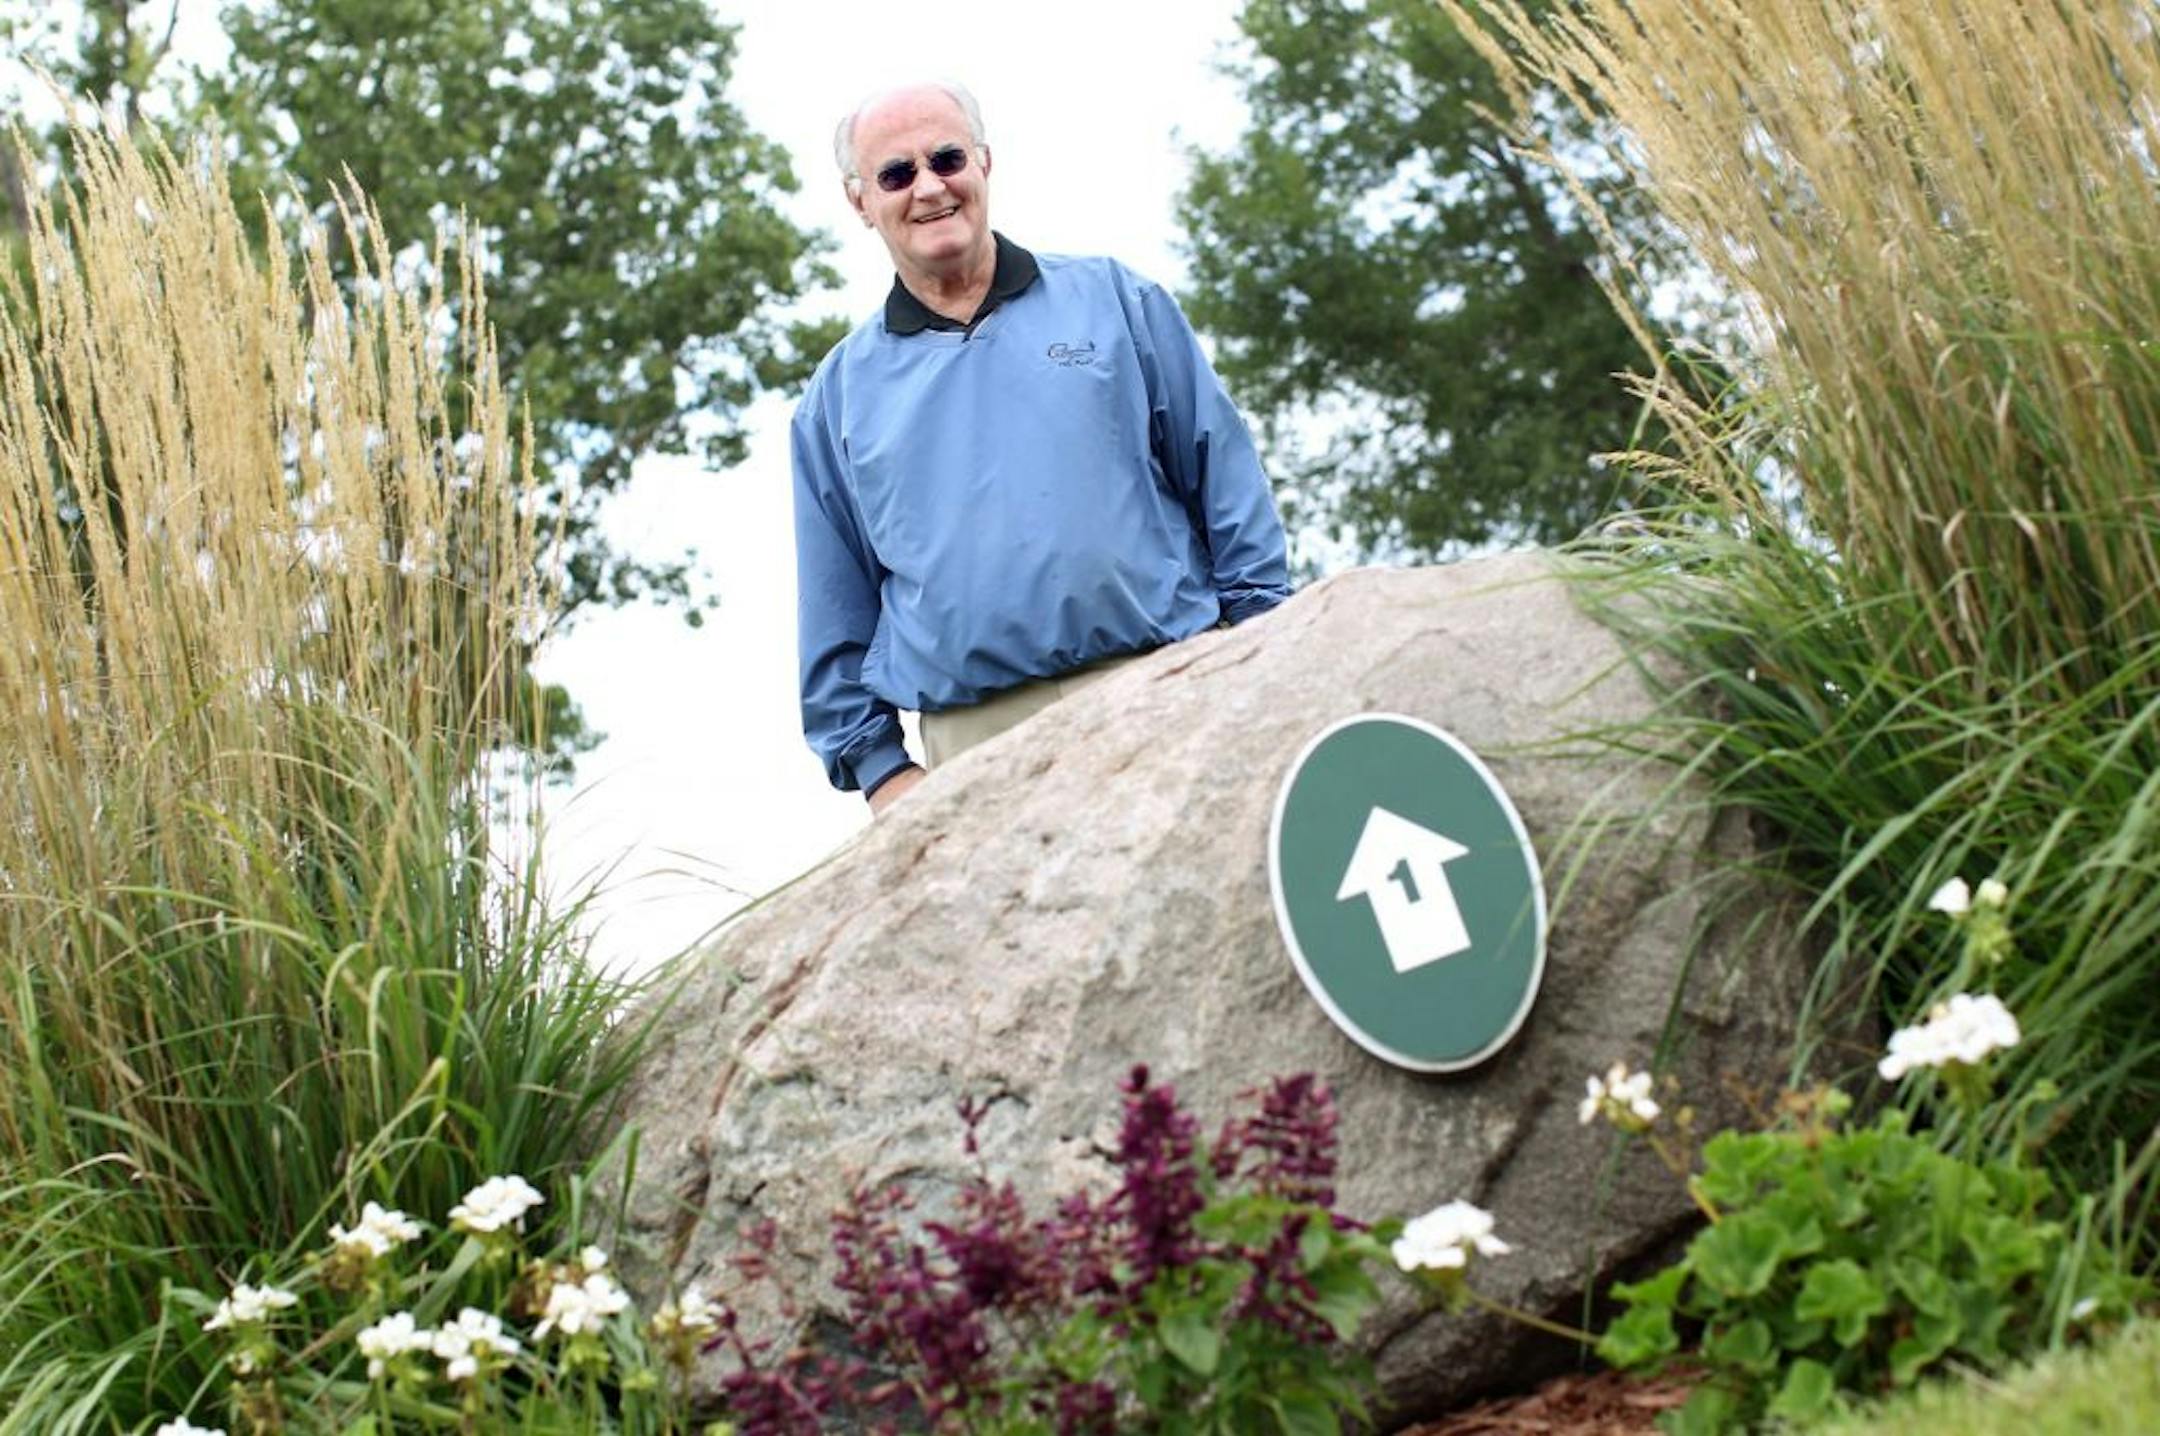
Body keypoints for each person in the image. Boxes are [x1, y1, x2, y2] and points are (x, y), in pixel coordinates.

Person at [792, 80, 1291, 815]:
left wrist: (1264, 646)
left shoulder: (1117, 300)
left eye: (947, 159)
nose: (929, 187)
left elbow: (1226, 481)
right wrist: (881, 771)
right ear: (860, 201)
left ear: (984, 163)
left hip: (1166, 685)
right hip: (973, 744)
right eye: (896, 174)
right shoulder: (836, 397)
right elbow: (833, 604)